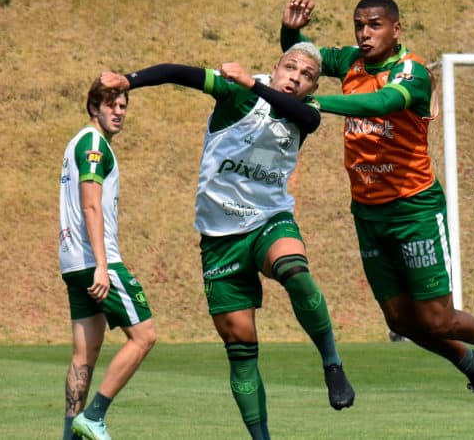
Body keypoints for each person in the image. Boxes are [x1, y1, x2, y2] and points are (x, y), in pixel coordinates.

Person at [280, 0, 474, 423]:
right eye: (359, 25)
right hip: (368, 211)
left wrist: (318, 104)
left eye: (375, 25)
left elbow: (383, 104)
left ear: (396, 29)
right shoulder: (350, 62)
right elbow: (300, 57)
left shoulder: (412, 72)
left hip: (414, 209)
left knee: (438, 319)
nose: (365, 34)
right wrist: (291, 32)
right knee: (400, 320)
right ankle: (471, 364)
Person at [99, 43, 354, 440]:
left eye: (306, 76)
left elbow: (305, 116)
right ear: (276, 67)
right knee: (240, 345)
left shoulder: (306, 110)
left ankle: (332, 364)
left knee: (295, 272)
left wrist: (253, 81)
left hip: (269, 220)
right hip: (219, 238)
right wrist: (128, 80)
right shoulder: (235, 93)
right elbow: (178, 71)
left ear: (313, 85)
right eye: (291, 68)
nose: (296, 78)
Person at [59, 79, 157, 440]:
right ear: (93, 108)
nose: (119, 112)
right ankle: (95, 416)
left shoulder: (76, 143)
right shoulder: (94, 144)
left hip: (72, 263)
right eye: (111, 105)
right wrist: (102, 264)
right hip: (95, 261)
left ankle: (70, 436)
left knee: (85, 354)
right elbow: (90, 205)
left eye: (123, 106)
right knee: (144, 336)